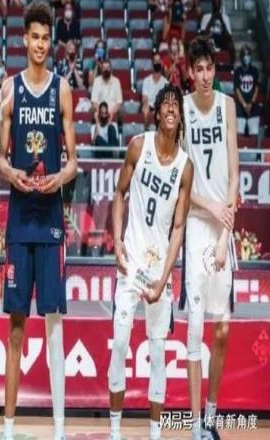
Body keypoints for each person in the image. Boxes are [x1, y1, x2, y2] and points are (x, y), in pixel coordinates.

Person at [0, 2, 77, 439]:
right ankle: (9, 430)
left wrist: (59, 179)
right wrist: (13, 174)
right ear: (24, 39)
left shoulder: (62, 90)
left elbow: (73, 162)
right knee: (15, 329)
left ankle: (60, 430)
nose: (41, 44)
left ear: (51, 41)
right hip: (18, 221)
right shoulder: (10, 89)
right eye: (35, 37)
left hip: (49, 222)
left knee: (54, 328)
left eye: (47, 38)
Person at [108, 84, 193, 440]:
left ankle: (155, 434)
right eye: (166, 104)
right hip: (131, 264)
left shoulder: (185, 167)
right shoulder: (137, 147)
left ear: (180, 116)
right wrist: (117, 242)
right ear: (157, 114)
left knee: (158, 353)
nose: (171, 108)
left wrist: (165, 278)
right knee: (121, 342)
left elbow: (178, 229)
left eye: (176, 105)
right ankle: (115, 431)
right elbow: (119, 194)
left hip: (159, 273)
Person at [180, 36, 239, 440]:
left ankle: (212, 416)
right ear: (190, 72)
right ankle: (195, 425)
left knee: (222, 330)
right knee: (195, 328)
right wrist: (210, 208)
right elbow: (181, 186)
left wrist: (224, 232)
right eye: (198, 69)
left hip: (223, 228)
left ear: (215, 71)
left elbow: (234, 176)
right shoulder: (182, 109)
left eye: (209, 69)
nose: (204, 76)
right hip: (197, 226)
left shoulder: (227, 106)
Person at [234, 45, 261, 136]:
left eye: (248, 55)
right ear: (241, 57)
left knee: (254, 134)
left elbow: (256, 88)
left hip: (253, 106)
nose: (246, 57)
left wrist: (251, 104)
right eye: (244, 55)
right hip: (240, 106)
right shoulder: (237, 71)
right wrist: (245, 105)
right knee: (239, 134)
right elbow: (237, 89)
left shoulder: (255, 71)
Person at [200, 0, 235, 65]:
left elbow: (229, 36)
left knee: (231, 44)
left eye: (218, 3)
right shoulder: (206, 17)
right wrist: (212, 19)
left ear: (220, 4)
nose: (216, 5)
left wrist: (222, 20)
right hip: (209, 41)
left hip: (221, 41)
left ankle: (231, 66)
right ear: (212, 4)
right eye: (215, 3)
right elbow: (203, 35)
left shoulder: (225, 17)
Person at [141, 53, 169, 128]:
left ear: (161, 63)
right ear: (152, 63)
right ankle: (146, 131)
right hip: (149, 106)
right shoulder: (146, 80)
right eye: (155, 61)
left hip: (160, 107)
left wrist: (157, 109)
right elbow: (144, 99)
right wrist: (146, 105)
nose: (157, 63)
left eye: (158, 61)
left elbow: (166, 100)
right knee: (145, 109)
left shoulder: (166, 82)